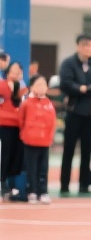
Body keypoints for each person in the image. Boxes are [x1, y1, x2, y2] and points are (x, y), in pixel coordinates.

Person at [58, 34, 91, 195]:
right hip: (74, 113)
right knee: (69, 151)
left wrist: (86, 88)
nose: (89, 49)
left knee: (87, 152)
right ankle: (64, 185)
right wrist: (84, 88)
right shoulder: (68, 63)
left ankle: (84, 185)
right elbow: (66, 84)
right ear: (78, 46)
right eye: (85, 45)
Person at [18, 74, 57, 204]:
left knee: (43, 168)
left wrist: (50, 137)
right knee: (31, 168)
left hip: (45, 142)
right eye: (38, 84)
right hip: (30, 141)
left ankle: (43, 192)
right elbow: (21, 120)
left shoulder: (49, 104)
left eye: (44, 84)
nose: (41, 87)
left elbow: (52, 122)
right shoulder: (27, 103)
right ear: (31, 87)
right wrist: (25, 134)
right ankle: (32, 191)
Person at [1, 60, 27, 200]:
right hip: (4, 125)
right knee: (5, 155)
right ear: (8, 72)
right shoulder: (2, 85)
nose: (17, 73)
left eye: (20, 71)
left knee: (16, 156)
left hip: (19, 126)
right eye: (14, 70)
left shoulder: (24, 89)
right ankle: (2, 183)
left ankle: (11, 185)